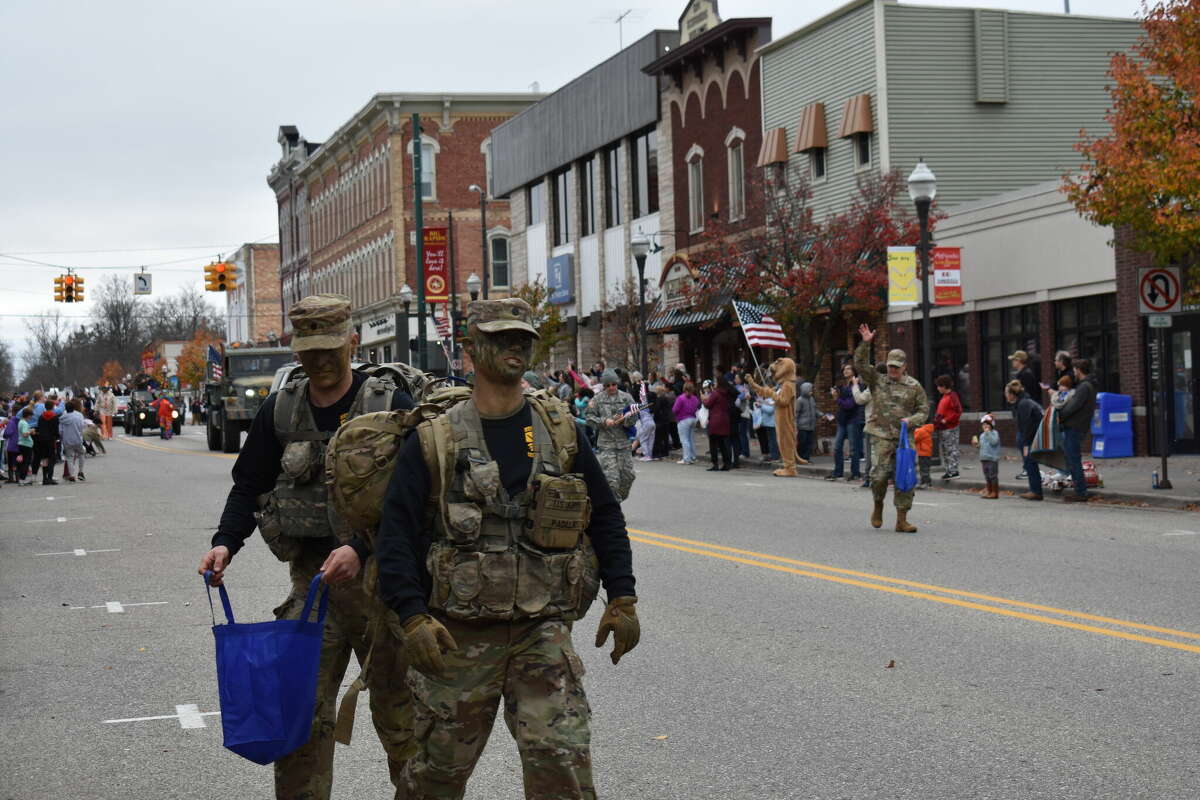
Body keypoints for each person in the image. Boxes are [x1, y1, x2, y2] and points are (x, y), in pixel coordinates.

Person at [374, 298, 640, 799]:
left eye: (523, 338)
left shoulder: (559, 429)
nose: (515, 346)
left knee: (562, 763)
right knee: (433, 776)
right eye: (500, 338)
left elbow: (604, 515)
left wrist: (622, 597)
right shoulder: (436, 438)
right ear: (471, 348)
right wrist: (411, 617)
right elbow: (396, 538)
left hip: (541, 631)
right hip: (456, 637)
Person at [196, 294, 416, 800]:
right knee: (299, 720)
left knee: (404, 722)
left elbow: (420, 503)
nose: (318, 359)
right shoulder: (283, 407)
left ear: (352, 342)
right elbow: (248, 486)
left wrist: (362, 547)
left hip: (386, 592)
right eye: (308, 349)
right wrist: (225, 544)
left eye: (329, 348)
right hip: (314, 592)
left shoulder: (389, 406)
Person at [855, 325, 929, 533]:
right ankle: (878, 504)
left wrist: (912, 420)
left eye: (897, 366)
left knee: (904, 479)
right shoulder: (877, 381)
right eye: (890, 366)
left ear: (905, 366)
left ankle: (901, 519)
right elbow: (860, 364)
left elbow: (924, 410)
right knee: (878, 476)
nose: (893, 370)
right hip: (881, 435)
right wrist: (866, 343)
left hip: (905, 438)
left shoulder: (914, 386)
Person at [585, 370, 637, 500]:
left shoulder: (626, 398)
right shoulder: (597, 399)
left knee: (628, 476)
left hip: (624, 443)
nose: (611, 387)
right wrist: (603, 421)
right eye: (608, 385)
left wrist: (625, 419)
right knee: (611, 479)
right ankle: (614, 509)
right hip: (606, 445)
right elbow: (589, 418)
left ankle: (616, 500)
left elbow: (634, 416)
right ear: (604, 386)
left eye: (614, 384)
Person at [747, 357, 800, 477]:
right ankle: (788, 466)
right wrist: (753, 384)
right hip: (780, 419)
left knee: (785, 442)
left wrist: (771, 394)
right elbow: (765, 392)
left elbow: (783, 401)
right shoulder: (781, 385)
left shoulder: (788, 385)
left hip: (786, 419)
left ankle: (790, 468)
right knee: (782, 442)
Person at [1058, 358, 1098, 502]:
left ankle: (1080, 492)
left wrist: (1059, 415)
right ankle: (1080, 490)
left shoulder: (1084, 387)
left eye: (1075, 370)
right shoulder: (1089, 385)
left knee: (1073, 459)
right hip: (1079, 425)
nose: (1073, 372)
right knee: (1073, 458)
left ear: (1079, 371)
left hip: (1074, 426)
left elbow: (1073, 406)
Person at [1006, 380, 1045, 501]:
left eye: (1006, 393)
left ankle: (1036, 491)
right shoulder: (1024, 402)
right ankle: (1034, 490)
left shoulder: (1023, 404)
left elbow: (1027, 426)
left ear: (1012, 394)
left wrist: (1026, 444)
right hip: (1028, 437)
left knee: (1030, 463)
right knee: (1030, 463)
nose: (1006, 396)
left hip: (1028, 439)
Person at [826, 363, 864, 482]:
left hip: (853, 419)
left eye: (849, 369)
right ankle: (838, 472)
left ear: (854, 371)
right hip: (842, 420)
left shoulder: (858, 386)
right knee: (837, 447)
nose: (845, 371)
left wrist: (837, 398)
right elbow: (842, 403)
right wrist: (836, 395)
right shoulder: (842, 385)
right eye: (844, 369)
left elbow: (850, 405)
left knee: (853, 449)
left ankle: (855, 473)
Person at [702, 375, 734, 471]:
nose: (714, 384)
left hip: (715, 420)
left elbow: (708, 404)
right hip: (725, 419)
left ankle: (715, 464)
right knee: (724, 443)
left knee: (713, 444)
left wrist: (703, 399)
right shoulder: (727, 393)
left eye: (716, 382)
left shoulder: (716, 393)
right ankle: (726, 464)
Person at [933, 375, 963, 481]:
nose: (937, 388)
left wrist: (946, 420)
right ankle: (949, 470)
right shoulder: (946, 397)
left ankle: (954, 470)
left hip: (950, 427)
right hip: (944, 427)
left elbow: (958, 411)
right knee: (946, 449)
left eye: (939, 386)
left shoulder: (952, 396)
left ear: (944, 386)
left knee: (951, 448)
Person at [34, 398, 60, 486]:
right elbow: (56, 429)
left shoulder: (41, 417)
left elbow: (39, 428)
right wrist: (57, 437)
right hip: (51, 440)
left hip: (42, 440)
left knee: (44, 458)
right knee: (51, 459)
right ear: (53, 407)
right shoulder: (54, 416)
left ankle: (44, 477)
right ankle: (50, 477)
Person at [673, 381, 701, 464]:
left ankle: (686, 458)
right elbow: (697, 407)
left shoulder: (680, 398)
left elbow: (675, 409)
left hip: (683, 419)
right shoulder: (695, 398)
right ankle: (692, 456)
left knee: (684, 440)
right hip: (693, 419)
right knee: (691, 439)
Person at [60, 399, 87, 483]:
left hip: (67, 440)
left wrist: (62, 439)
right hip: (77, 438)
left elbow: (60, 431)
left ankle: (71, 475)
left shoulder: (62, 417)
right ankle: (81, 472)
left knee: (69, 457)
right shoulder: (79, 415)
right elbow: (82, 426)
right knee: (81, 454)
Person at [975, 414, 1001, 499]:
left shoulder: (994, 433)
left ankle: (994, 492)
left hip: (992, 458)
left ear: (991, 425)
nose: (985, 426)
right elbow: (982, 446)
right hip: (984, 458)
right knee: (987, 475)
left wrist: (988, 433)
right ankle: (989, 491)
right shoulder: (982, 435)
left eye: (987, 424)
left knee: (993, 475)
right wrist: (977, 445)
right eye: (983, 425)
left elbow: (994, 442)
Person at [794, 381, 816, 463]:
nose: (811, 391)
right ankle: (800, 457)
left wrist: (821, 415)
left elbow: (814, 409)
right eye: (810, 389)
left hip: (811, 425)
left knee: (809, 443)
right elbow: (796, 413)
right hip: (802, 426)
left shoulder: (812, 399)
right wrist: (795, 424)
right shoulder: (800, 400)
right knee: (802, 443)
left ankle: (806, 458)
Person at [16, 407, 35, 485]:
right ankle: (22, 479)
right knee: (26, 463)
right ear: (28, 415)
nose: (31, 417)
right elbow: (24, 434)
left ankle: (21, 479)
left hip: (22, 444)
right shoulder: (24, 423)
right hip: (25, 444)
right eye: (31, 415)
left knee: (24, 462)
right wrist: (30, 431)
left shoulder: (21, 422)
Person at [914, 422, 934, 489]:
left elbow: (915, 438)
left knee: (923, 468)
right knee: (925, 468)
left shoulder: (921, 431)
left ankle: (925, 483)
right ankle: (926, 482)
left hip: (922, 452)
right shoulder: (928, 430)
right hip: (927, 453)